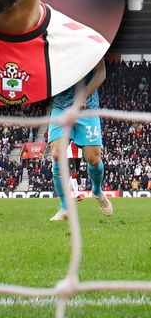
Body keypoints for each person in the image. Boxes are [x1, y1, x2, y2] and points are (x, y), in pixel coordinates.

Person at [47, 59, 111, 221]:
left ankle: (97, 191)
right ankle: (64, 207)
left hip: (87, 107)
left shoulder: (92, 44)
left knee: (93, 159)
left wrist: (83, 95)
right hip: (61, 107)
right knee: (57, 154)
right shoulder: (53, 47)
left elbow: (101, 72)